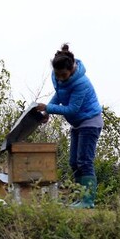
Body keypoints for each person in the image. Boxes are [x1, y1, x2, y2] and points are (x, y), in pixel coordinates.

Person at [36, 44, 103, 208]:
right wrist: (47, 113)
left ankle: (88, 201)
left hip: (90, 122)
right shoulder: (57, 76)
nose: (60, 78)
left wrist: (48, 108)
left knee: (84, 161)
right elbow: (59, 94)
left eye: (63, 75)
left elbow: (72, 109)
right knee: (74, 162)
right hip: (78, 123)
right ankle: (81, 198)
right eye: (57, 75)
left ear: (71, 69)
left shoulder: (81, 83)